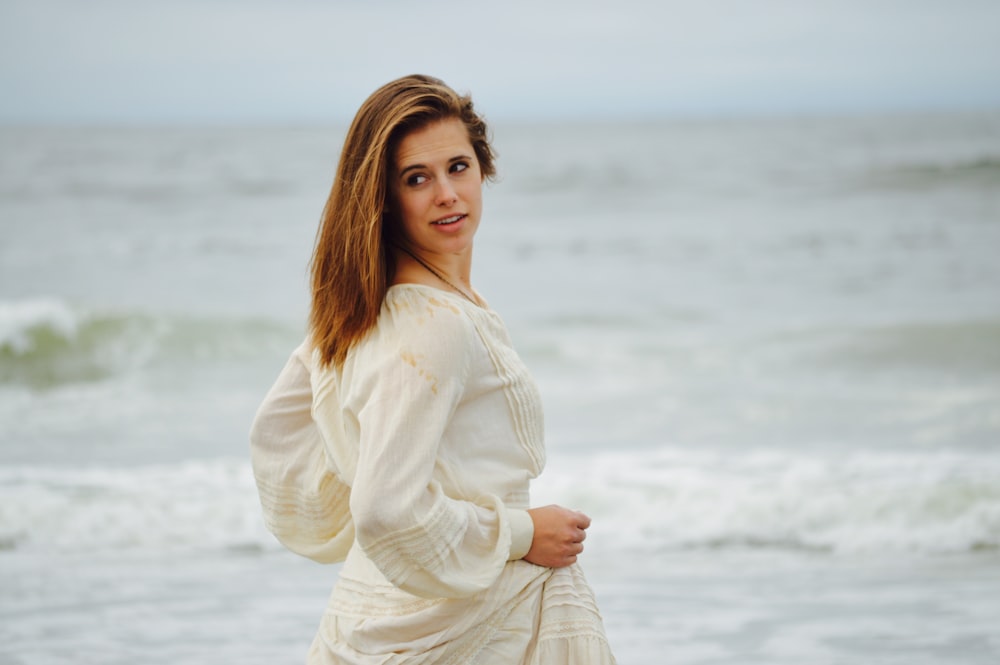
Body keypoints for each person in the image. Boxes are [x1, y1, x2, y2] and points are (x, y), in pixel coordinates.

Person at [249, 74, 616, 664]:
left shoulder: (356, 311)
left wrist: (387, 543)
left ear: (483, 168)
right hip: (465, 626)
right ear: (383, 198)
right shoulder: (433, 322)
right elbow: (386, 508)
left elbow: (275, 440)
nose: (447, 193)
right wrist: (521, 533)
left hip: (375, 612)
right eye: (417, 179)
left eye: (459, 167)